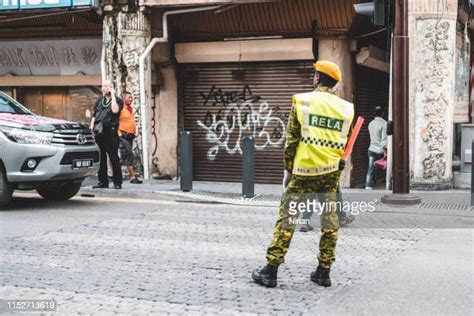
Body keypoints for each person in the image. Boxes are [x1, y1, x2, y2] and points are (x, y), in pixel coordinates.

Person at [251, 61, 354, 288]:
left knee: (287, 219)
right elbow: (344, 142)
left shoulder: (303, 101)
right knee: (330, 221)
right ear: (335, 83)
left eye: (314, 74)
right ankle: (323, 272)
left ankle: (271, 270)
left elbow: (291, 142)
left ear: (318, 78)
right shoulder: (346, 108)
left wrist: (289, 169)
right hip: (330, 173)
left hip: (303, 171)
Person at [91, 80, 124, 190]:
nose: (103, 88)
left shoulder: (118, 100)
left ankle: (117, 182)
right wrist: (92, 129)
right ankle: (103, 182)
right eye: (102, 86)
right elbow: (94, 115)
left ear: (111, 88)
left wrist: (113, 95)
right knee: (101, 158)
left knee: (113, 157)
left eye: (106, 86)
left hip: (111, 131)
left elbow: (115, 111)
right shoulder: (100, 100)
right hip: (99, 132)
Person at [119, 91, 142, 184]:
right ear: (124, 98)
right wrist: (119, 134)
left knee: (124, 157)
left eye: (132, 97)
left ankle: (113, 174)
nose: (131, 99)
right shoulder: (120, 109)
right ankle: (132, 177)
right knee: (129, 154)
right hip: (123, 135)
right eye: (129, 97)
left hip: (130, 136)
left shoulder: (131, 109)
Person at [365, 106, 387, 190]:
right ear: (383, 113)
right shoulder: (384, 124)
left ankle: (368, 186)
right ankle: (387, 184)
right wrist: (385, 152)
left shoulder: (371, 123)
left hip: (371, 149)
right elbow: (384, 140)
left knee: (371, 168)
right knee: (385, 168)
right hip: (381, 151)